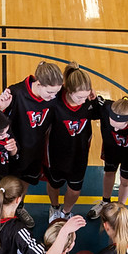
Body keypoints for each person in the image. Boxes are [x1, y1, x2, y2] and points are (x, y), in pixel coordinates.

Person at [0, 61, 64, 225]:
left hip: (35, 149)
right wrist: (0, 108)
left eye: (56, 92)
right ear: (39, 83)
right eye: (50, 92)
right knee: (7, 185)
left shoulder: (54, 94)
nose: (53, 97)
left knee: (25, 181)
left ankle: (19, 207)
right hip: (13, 151)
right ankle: (0, 216)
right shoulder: (16, 92)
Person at [43, 62, 97, 222]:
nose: (83, 100)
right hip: (55, 154)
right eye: (80, 96)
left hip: (78, 156)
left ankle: (66, 212)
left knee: (74, 190)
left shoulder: (90, 102)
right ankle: (54, 207)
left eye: (86, 95)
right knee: (54, 185)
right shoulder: (55, 102)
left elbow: (112, 111)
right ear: (69, 91)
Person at [88, 95, 128, 220]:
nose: (115, 128)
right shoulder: (105, 108)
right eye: (113, 125)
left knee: (125, 180)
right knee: (108, 173)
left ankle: (120, 208)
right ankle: (105, 202)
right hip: (111, 149)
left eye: (119, 126)